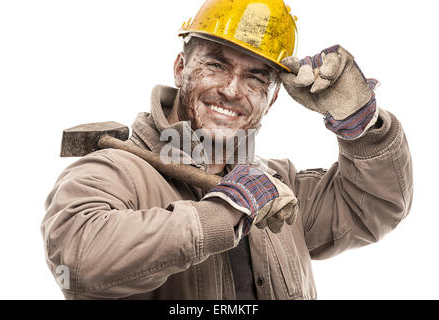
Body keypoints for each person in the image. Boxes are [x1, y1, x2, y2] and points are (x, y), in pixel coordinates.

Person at [41, 0, 413, 300]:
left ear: (272, 100)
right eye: (216, 65)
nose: (233, 90)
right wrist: (222, 212)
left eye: (255, 77)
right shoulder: (112, 172)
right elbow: (79, 261)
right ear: (180, 67)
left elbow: (375, 207)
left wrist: (362, 129)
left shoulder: (278, 187)